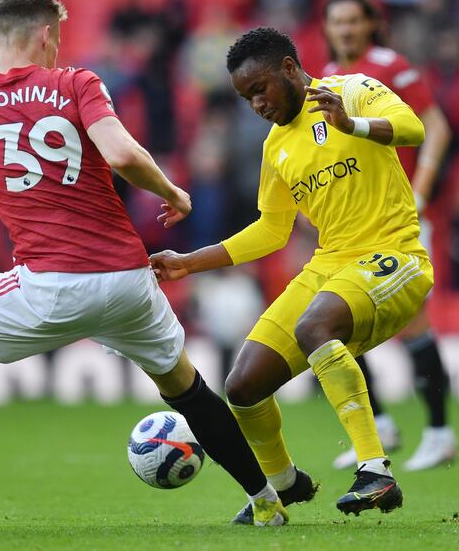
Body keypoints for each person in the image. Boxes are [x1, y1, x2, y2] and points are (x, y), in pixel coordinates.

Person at [0, 0, 292, 531]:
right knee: (185, 387)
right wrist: (172, 193)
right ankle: (266, 500)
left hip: (50, 286)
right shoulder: (77, 83)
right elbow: (121, 152)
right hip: (129, 282)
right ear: (46, 35)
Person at [151, 26, 433, 520]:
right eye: (246, 98)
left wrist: (353, 126)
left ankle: (376, 471)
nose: (256, 104)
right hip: (330, 264)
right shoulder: (276, 146)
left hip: (395, 256)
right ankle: (283, 484)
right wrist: (188, 263)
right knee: (241, 387)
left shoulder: (351, 90)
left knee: (314, 327)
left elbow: (412, 127)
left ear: (288, 68)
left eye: (260, 89)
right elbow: (271, 231)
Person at [322, 0, 457, 471]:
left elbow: (435, 127)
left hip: (400, 215)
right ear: (327, 28)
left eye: (354, 21)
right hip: (357, 223)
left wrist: (421, 189)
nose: (346, 29)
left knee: (413, 323)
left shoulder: (390, 65)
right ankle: (380, 423)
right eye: (337, 21)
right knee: (338, 325)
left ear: (369, 24)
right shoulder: (327, 79)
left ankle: (440, 432)